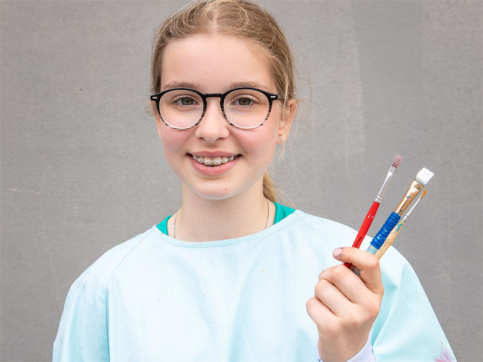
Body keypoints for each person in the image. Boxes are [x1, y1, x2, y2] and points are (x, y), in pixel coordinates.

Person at [53, 0, 455, 361]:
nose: (211, 129)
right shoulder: (105, 290)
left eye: (244, 100)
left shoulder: (367, 275)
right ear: (158, 117)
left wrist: (350, 356)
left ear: (285, 118)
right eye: (184, 100)